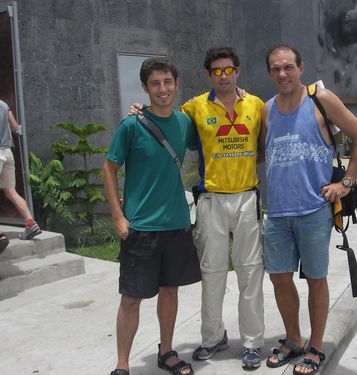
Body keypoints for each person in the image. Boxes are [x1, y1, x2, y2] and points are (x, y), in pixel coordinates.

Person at [130, 46, 265, 370]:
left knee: (250, 272)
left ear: (238, 71)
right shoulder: (194, 108)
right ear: (208, 75)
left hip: (247, 196)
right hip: (210, 199)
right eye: (216, 71)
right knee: (212, 272)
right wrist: (139, 108)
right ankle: (213, 337)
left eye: (228, 69)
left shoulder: (256, 105)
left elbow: (261, 149)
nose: (223, 76)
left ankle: (252, 342)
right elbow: (164, 114)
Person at [260, 44, 357, 375]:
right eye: (276, 69)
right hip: (277, 212)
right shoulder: (266, 109)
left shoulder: (321, 101)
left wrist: (346, 183)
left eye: (288, 67)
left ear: (301, 67)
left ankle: (316, 346)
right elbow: (261, 152)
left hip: (313, 210)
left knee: (316, 279)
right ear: (269, 73)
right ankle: (293, 339)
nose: (282, 74)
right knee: (280, 278)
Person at [103, 57, 201, 375]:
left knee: (170, 291)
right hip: (141, 227)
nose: (162, 89)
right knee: (132, 298)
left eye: (167, 82)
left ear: (176, 84)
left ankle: (167, 351)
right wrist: (118, 216)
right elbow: (109, 167)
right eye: (155, 84)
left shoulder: (185, 123)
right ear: (145, 88)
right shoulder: (131, 125)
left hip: (176, 223)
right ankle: (122, 364)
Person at [0, 99, 42, 244]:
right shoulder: (4, 105)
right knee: (11, 191)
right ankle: (30, 224)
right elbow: (14, 126)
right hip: (6, 152)